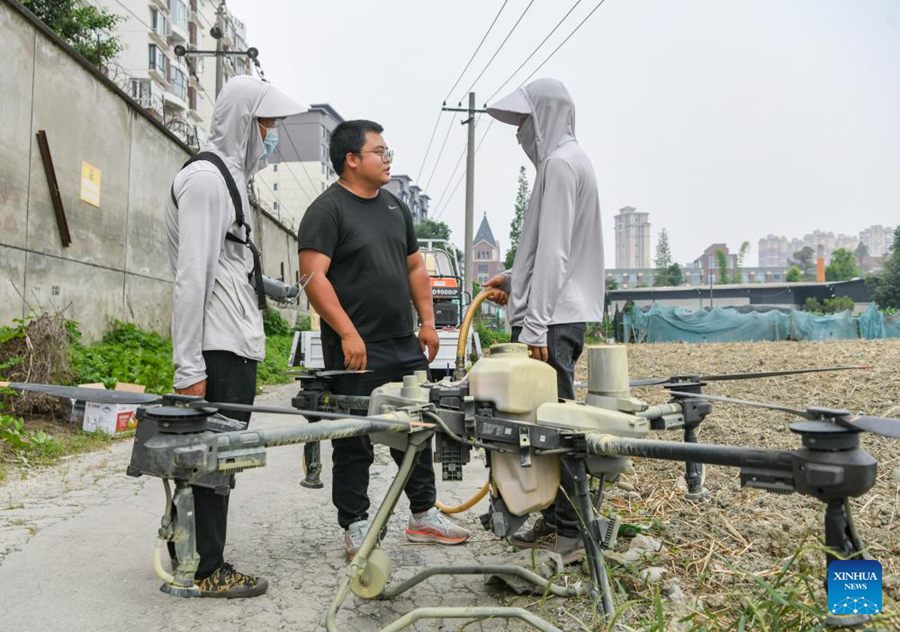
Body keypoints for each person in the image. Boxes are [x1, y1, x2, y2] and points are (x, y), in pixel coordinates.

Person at [298, 119, 470, 556]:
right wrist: (349, 334)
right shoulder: (328, 209)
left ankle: (423, 515)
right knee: (354, 436)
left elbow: (415, 267)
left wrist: (428, 323)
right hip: (355, 347)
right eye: (379, 151)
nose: (387, 157)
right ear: (352, 160)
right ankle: (355, 524)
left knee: (415, 428)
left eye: (387, 150)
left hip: (401, 342)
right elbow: (313, 278)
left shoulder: (394, 207)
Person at [166, 75, 304, 597]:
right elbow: (190, 277)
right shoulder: (205, 180)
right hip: (216, 349)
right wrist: (189, 369)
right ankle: (206, 569)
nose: (269, 136)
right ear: (244, 123)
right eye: (265, 125)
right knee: (213, 459)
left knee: (216, 458)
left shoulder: (230, 181)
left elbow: (230, 265)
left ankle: (192, 554)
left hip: (234, 344)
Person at [483, 78, 605, 563]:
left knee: (555, 430)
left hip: (550, 323)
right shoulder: (574, 161)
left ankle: (573, 533)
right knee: (547, 426)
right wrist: (515, 280)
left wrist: (533, 326)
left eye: (523, 122)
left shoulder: (558, 164)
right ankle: (556, 522)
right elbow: (553, 252)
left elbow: (555, 255)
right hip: (560, 313)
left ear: (545, 118)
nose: (518, 134)